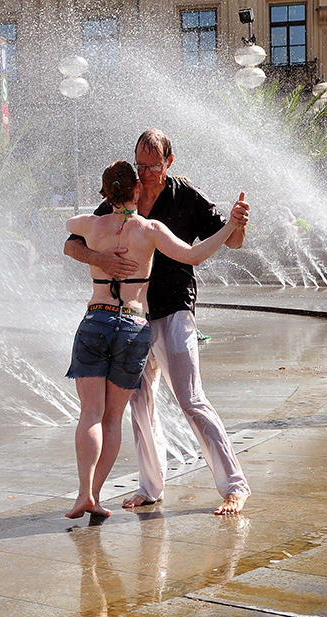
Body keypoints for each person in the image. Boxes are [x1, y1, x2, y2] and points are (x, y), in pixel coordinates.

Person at [64, 129, 252, 516]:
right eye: (140, 164)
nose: (145, 173)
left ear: (169, 162)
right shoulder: (123, 194)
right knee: (139, 403)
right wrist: (100, 260)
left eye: (152, 165)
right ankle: (150, 485)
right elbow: (72, 244)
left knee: (191, 399)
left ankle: (235, 486)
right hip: (132, 321)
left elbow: (229, 243)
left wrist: (237, 224)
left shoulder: (186, 195)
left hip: (175, 310)